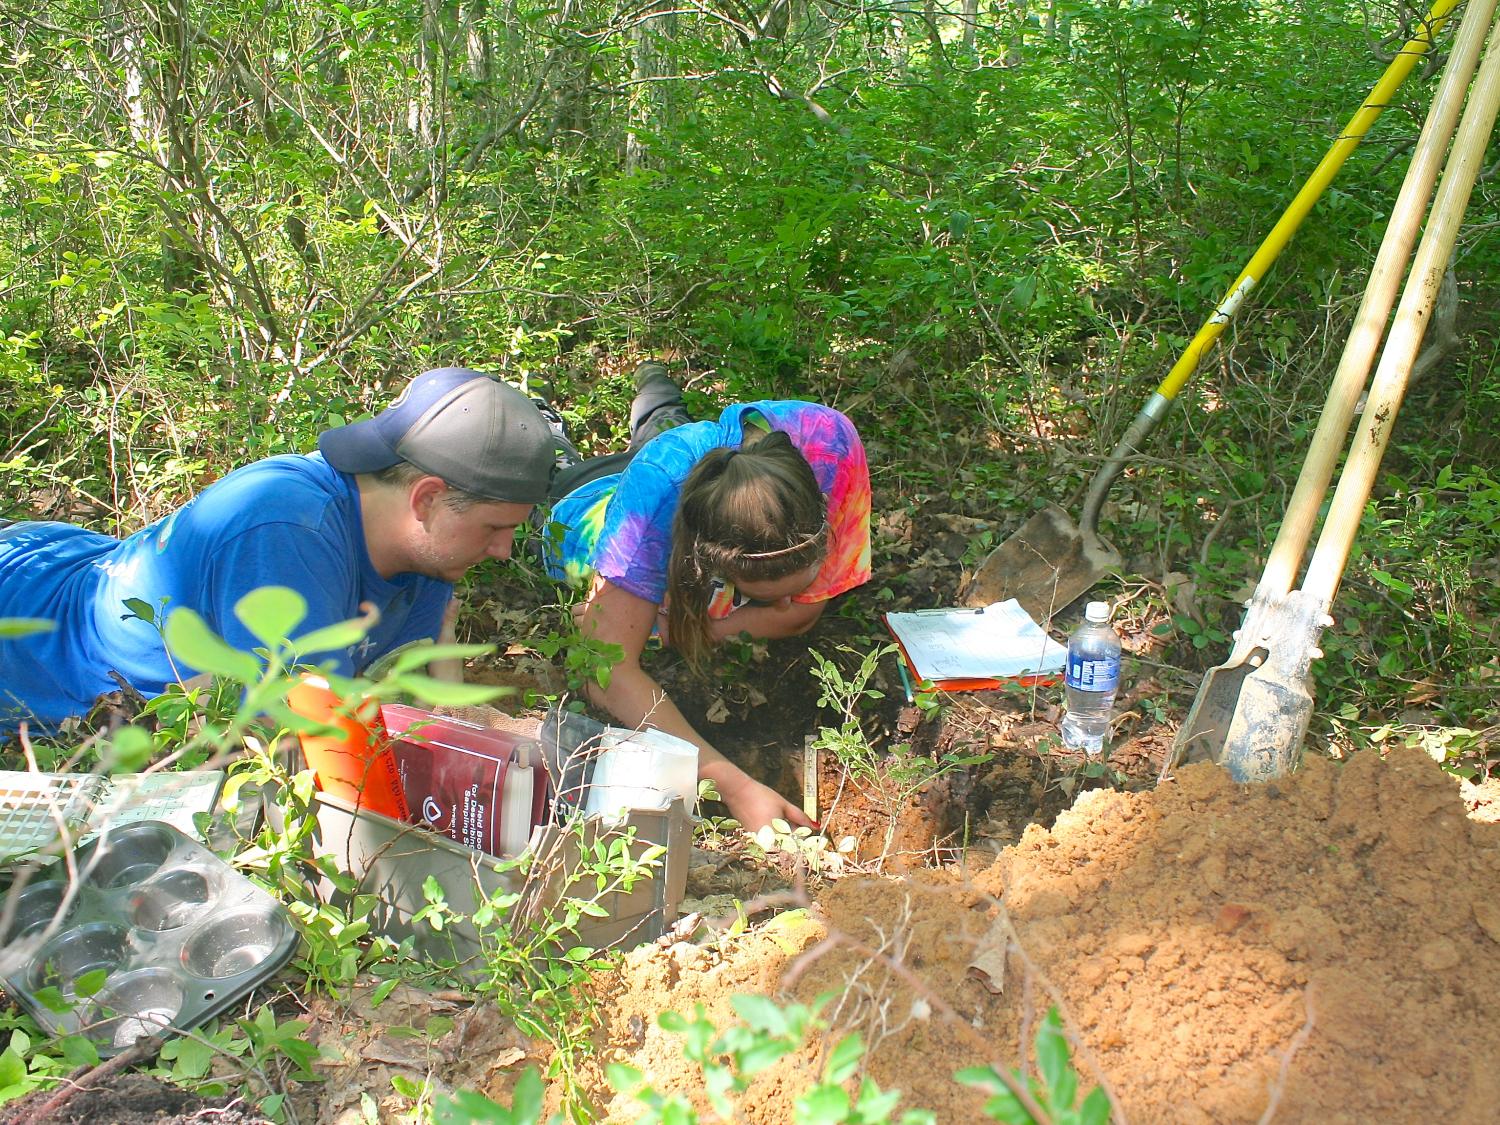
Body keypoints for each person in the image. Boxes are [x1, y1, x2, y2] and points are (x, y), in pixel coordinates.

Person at [0, 367, 555, 736]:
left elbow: (422, 714)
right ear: (428, 497)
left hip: (90, 557)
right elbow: (316, 752)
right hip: (27, 604)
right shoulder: (287, 529)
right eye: (494, 528)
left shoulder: (432, 546)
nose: (504, 550)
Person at [543, 363, 872, 831]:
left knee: (665, 428)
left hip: (694, 467)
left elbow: (801, 615)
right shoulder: (648, 515)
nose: (784, 602)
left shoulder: (828, 443)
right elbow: (601, 669)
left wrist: (688, 627)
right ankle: (546, 426)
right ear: (707, 563)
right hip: (591, 505)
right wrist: (732, 785)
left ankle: (656, 391)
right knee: (564, 472)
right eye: (764, 596)